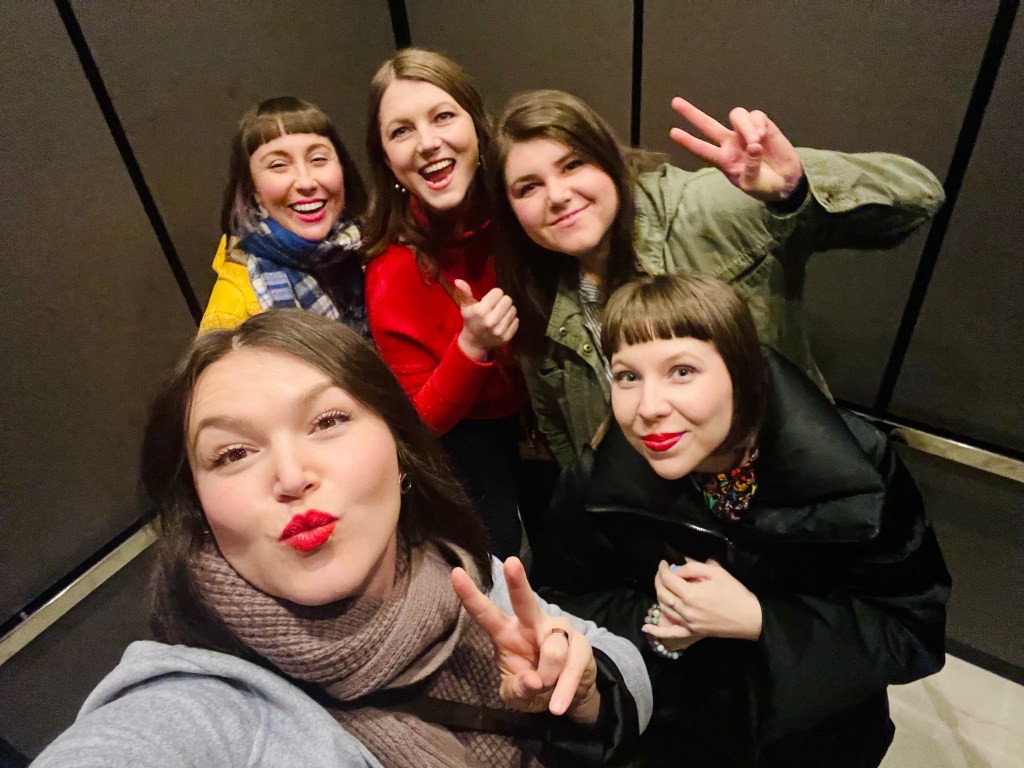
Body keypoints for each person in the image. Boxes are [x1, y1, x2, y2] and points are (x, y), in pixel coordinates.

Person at [33, 310, 652, 768]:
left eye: (327, 421)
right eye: (233, 453)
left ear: (400, 446)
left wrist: (583, 695)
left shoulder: (453, 573)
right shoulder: (200, 702)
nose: (291, 476)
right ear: (197, 507)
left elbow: (621, 664)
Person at [531, 274, 950, 767]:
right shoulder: (598, 478)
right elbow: (560, 598)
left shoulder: (855, 466)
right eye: (627, 376)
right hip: (677, 738)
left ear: (744, 373)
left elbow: (912, 630)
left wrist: (760, 620)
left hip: (818, 743)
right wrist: (660, 621)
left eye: (682, 371)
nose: (648, 407)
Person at [490, 89, 946, 468]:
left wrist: (795, 191)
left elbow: (919, 195)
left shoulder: (706, 210)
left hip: (771, 480)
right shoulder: (541, 289)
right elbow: (562, 429)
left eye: (573, 165)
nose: (558, 195)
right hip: (659, 512)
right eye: (528, 187)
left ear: (609, 159)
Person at [362, 49, 537, 559]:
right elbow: (423, 421)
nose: (427, 142)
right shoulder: (391, 270)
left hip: (550, 407)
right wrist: (472, 346)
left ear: (478, 127)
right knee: (496, 550)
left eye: (442, 116)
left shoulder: (528, 206)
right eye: (401, 131)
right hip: (471, 432)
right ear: (386, 159)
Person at [199, 96, 369, 336]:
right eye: (278, 165)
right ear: (253, 190)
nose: (306, 182)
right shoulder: (232, 318)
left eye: (318, 159)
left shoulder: (366, 249)